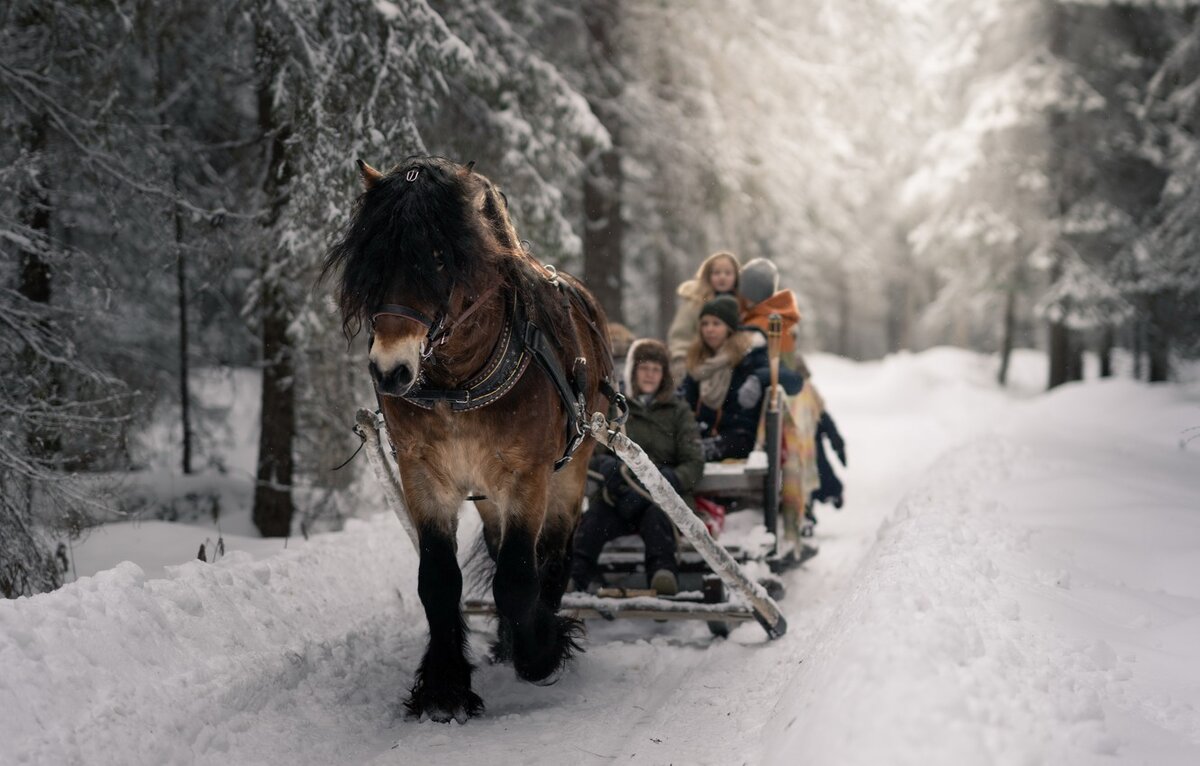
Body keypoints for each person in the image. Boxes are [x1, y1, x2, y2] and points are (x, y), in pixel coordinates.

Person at [570, 339, 704, 596]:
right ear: (633, 371)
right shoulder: (615, 408)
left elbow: (695, 460)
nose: (650, 375)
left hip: (660, 497)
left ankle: (663, 576)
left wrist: (670, 479)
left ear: (664, 375)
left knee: (657, 519)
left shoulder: (678, 411)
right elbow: (592, 451)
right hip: (619, 493)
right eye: (644, 368)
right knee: (595, 519)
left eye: (656, 369)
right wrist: (607, 467)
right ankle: (574, 577)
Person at [681, 295, 802, 461]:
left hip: (741, 439)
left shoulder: (750, 354)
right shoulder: (698, 361)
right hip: (703, 434)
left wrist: (759, 378)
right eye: (705, 324)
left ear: (730, 328)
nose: (709, 329)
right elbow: (684, 400)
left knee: (692, 454)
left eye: (716, 324)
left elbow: (795, 381)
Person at [666, 251, 740, 381]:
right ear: (708, 275)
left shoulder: (742, 303)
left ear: (736, 276)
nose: (722, 277)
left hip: (731, 364)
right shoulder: (695, 303)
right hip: (699, 363)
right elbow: (680, 335)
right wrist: (680, 360)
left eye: (728, 273)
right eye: (716, 273)